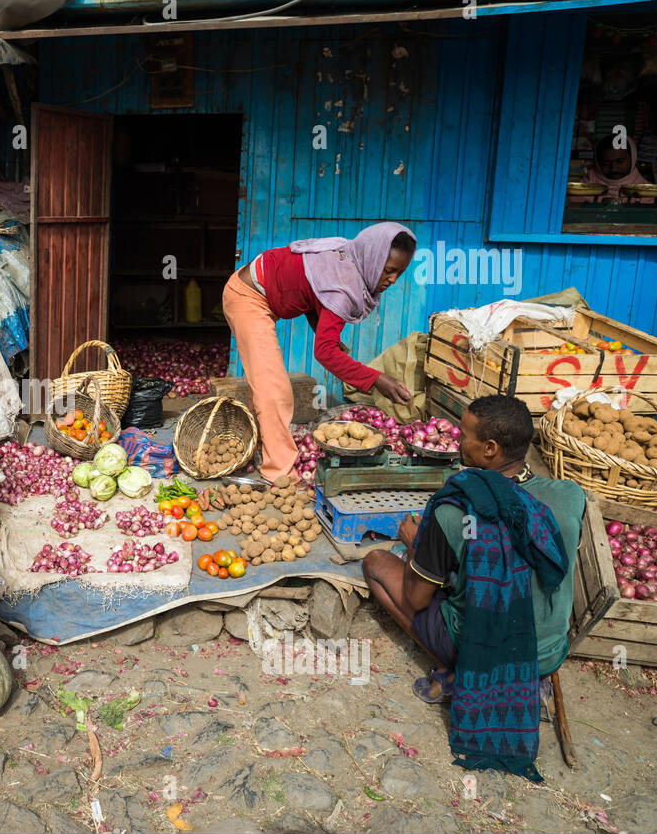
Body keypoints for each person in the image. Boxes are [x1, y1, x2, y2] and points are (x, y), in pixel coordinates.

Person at [361, 395, 585, 781]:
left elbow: (416, 597)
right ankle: (527, 682)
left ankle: (458, 669)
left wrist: (418, 544)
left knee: (376, 564)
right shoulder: (570, 496)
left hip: (490, 652)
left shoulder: (453, 510)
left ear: (490, 449)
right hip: (548, 651)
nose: (457, 441)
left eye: (463, 434)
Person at [223, 222, 417, 484]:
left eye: (399, 273)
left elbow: (312, 290)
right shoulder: (344, 283)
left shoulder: (349, 255)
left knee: (266, 383)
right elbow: (324, 353)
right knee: (274, 389)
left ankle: (262, 444)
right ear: (372, 257)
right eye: (389, 270)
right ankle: (280, 475)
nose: (392, 280)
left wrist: (326, 335)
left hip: (261, 291)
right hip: (247, 296)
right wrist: (376, 379)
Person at [586, 134, 655, 203]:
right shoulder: (583, 189)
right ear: (598, 163)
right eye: (605, 164)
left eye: (619, 162)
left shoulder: (646, 193)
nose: (614, 169)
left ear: (633, 159)